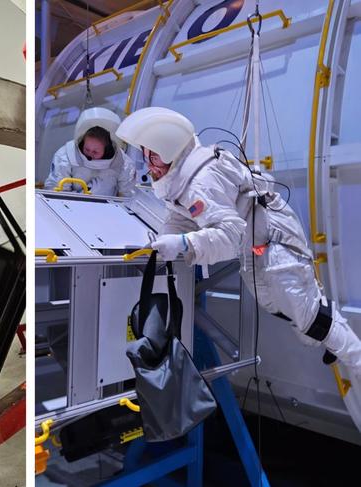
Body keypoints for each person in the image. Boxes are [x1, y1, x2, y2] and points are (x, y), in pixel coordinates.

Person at [115, 106, 361, 377]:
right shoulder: (180, 178)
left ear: (170, 149)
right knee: (280, 306)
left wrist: (184, 244)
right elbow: (182, 216)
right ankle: (325, 335)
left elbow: (228, 237)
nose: (149, 166)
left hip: (274, 241)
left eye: (154, 157)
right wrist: (167, 238)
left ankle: (354, 357)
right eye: (147, 156)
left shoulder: (201, 182)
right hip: (255, 244)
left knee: (305, 312)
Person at [44, 107, 136, 197]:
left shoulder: (123, 164)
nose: (90, 154)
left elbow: (127, 197)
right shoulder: (65, 156)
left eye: (95, 152)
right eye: (87, 149)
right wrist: (92, 193)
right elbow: (56, 195)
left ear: (107, 149)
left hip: (107, 209)